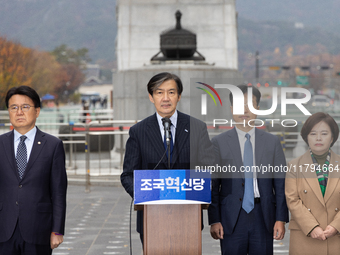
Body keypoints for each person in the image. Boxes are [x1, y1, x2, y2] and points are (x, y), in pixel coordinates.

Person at [120, 72, 214, 242]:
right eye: (159, 92)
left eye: (171, 92)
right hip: (151, 218)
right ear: (151, 97)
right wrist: (144, 194)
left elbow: (210, 170)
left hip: (188, 217)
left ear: (179, 96)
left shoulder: (197, 128)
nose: (165, 98)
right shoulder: (138, 131)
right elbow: (127, 175)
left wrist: (200, 189)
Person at [208, 84, 289, 255]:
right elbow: (213, 185)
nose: (244, 110)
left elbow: (281, 184)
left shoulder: (272, 142)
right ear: (231, 109)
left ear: (257, 108)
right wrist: (214, 220)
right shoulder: (219, 143)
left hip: (263, 215)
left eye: (250, 104)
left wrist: (281, 218)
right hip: (230, 218)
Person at [0, 86, 68, 254]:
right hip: (4, 229)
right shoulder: (0, 144)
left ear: (37, 111)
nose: (19, 112)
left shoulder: (53, 145)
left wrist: (57, 230)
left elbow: (58, 192)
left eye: (25, 107)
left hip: (39, 229)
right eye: (14, 107)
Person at [285, 112, 340, 255]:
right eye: (313, 133)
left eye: (324, 133)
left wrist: (336, 226)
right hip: (305, 236)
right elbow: (293, 200)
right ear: (306, 137)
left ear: (332, 137)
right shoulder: (294, 166)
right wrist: (312, 227)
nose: (319, 138)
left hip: (336, 237)